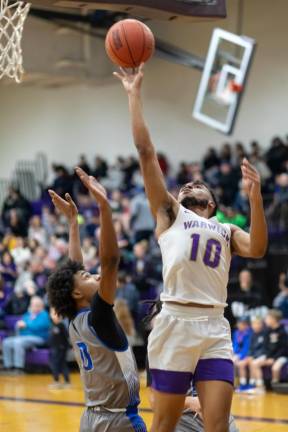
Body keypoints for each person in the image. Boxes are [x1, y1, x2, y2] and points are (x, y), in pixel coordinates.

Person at [115, 64, 268, 432]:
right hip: (176, 323)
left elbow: (260, 248)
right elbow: (146, 152)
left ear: (212, 203)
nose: (190, 185)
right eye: (185, 185)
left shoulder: (227, 230)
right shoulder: (170, 214)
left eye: (198, 185)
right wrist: (133, 94)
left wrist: (256, 197)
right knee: (165, 424)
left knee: (217, 424)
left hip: (215, 324)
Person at [47, 168, 146, 432]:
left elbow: (73, 269)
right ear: (78, 294)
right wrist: (105, 209)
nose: (95, 275)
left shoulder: (74, 319)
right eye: (88, 276)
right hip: (119, 421)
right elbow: (111, 261)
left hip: (90, 419)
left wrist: (72, 224)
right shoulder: (99, 317)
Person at [2, 296, 51, 372]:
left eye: (35, 305)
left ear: (40, 306)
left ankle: (19, 367)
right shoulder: (27, 314)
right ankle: (8, 366)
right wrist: (18, 326)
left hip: (39, 337)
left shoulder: (44, 315)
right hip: (24, 337)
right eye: (32, 304)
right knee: (6, 342)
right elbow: (20, 327)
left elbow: (40, 326)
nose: (32, 306)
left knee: (18, 342)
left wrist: (26, 325)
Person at [249, 309, 288, 391]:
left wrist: (274, 358)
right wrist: (267, 357)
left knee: (275, 368)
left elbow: (283, 348)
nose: (265, 320)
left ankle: (276, 388)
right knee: (254, 363)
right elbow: (265, 346)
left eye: (267, 318)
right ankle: (260, 386)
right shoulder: (267, 331)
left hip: (281, 356)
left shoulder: (282, 331)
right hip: (269, 356)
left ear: (273, 319)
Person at [48, 308, 71, 388]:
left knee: (60, 364)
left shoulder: (61, 326)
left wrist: (65, 346)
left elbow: (66, 337)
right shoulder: (52, 325)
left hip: (61, 348)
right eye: (53, 314)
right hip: (54, 348)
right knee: (56, 364)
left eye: (57, 314)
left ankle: (63, 381)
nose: (55, 316)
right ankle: (58, 381)